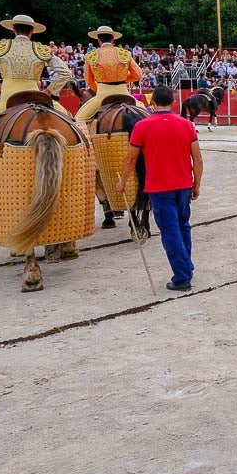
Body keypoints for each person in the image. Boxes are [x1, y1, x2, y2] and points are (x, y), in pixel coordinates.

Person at [0, 14, 73, 185]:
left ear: (13, 29)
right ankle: (78, 160)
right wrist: (48, 90)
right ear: (32, 31)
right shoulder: (40, 50)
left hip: (8, 98)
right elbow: (65, 73)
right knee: (71, 120)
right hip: (37, 97)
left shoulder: (1, 47)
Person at [118, 85, 202, 292]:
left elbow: (130, 159)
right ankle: (186, 265)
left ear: (152, 102)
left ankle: (182, 277)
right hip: (183, 185)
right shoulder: (186, 124)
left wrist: (123, 182)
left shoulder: (142, 126)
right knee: (183, 225)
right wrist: (196, 183)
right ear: (173, 102)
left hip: (159, 188)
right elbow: (197, 159)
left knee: (170, 230)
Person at [75, 26, 143, 120]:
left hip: (102, 95)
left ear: (98, 40)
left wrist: (99, 89)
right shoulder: (124, 53)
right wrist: (123, 79)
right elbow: (138, 74)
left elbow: (89, 80)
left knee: (79, 119)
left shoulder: (91, 56)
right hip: (124, 93)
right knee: (146, 114)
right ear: (113, 39)